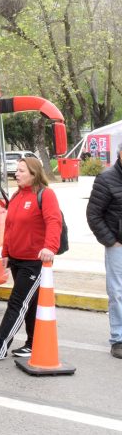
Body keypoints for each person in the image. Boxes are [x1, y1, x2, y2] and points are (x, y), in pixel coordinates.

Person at [0, 157, 63, 362]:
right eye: (17, 170)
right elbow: (10, 227)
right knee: (30, 303)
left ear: (34, 174)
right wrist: (5, 252)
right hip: (16, 259)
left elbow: (54, 222)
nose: (17, 173)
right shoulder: (16, 196)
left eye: (22, 170)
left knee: (17, 303)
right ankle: (33, 344)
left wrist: (50, 247)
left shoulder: (45, 195)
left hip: (34, 261)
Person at [87, 144, 122, 359]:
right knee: (117, 293)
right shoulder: (106, 179)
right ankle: (118, 338)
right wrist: (111, 241)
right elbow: (93, 215)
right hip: (118, 246)